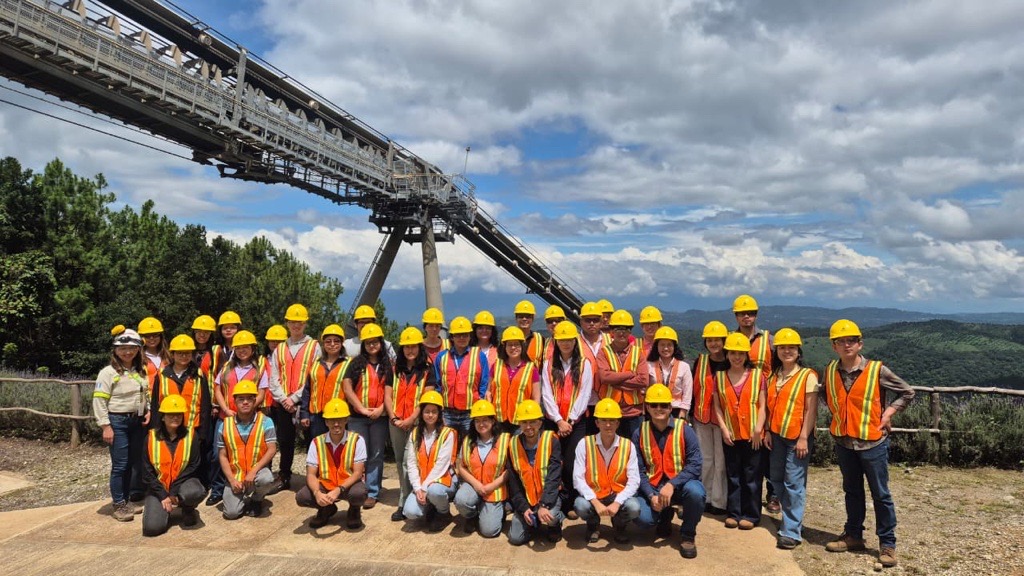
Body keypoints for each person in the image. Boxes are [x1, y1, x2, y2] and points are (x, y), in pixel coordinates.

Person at [822, 319, 915, 569]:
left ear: (860, 344)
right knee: (852, 491)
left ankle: (887, 543)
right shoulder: (830, 370)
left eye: (851, 340)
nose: (846, 345)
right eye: (841, 341)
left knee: (880, 494)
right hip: (844, 441)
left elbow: (907, 392)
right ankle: (854, 535)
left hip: (873, 442)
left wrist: (888, 414)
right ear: (834, 346)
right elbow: (828, 397)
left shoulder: (876, 370)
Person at [632, 384, 705, 559]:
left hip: (680, 485)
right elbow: (637, 470)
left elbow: (695, 464)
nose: (659, 409)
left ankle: (688, 535)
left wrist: (672, 485)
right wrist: (651, 495)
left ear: (670, 408)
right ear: (647, 408)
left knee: (696, 492)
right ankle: (664, 516)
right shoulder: (639, 432)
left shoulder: (685, 430)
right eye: (654, 405)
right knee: (643, 519)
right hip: (654, 486)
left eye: (664, 405)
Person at [764, 328, 818, 550]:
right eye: (783, 348)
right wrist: (768, 430)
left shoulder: (807, 376)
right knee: (776, 479)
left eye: (791, 348)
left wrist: (804, 437)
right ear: (776, 351)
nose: (787, 351)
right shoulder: (773, 375)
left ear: (798, 351)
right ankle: (793, 520)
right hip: (776, 435)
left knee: (794, 483)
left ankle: (791, 532)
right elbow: (769, 407)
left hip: (797, 437)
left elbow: (811, 410)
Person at [94, 326, 151, 521]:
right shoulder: (108, 373)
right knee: (120, 465)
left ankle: (125, 500)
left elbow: (144, 394)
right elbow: (99, 400)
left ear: (138, 349)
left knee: (132, 463)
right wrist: (105, 426)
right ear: (115, 350)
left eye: (132, 348)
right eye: (123, 348)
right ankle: (118, 504)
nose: (128, 352)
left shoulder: (139, 371)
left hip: (137, 420)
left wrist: (148, 410)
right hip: (117, 421)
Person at [713, 332, 768, 530]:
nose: (737, 357)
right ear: (727, 354)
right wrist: (723, 428)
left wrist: (758, 429)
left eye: (741, 353)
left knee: (752, 476)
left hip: (753, 435)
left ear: (747, 355)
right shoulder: (719, 377)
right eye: (733, 353)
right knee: (733, 474)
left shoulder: (758, 376)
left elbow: (763, 405)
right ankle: (734, 513)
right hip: (731, 434)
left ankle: (751, 515)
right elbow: (717, 406)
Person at [150, 335, 213, 504]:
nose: (184, 356)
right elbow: (155, 405)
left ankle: (190, 497)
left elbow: (205, 405)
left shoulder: (198, 374)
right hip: (167, 431)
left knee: (192, 465)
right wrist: (155, 430)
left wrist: (203, 433)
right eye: (179, 353)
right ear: (173, 354)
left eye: (187, 353)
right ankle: (167, 491)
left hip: (192, 429)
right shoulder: (162, 375)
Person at [540, 321, 593, 513]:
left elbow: (585, 394)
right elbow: (546, 394)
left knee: (572, 463)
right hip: (553, 422)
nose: (566, 343)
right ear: (556, 342)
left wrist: (570, 420)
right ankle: (553, 500)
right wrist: (558, 420)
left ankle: (570, 502)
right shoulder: (548, 364)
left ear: (575, 341)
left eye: (569, 340)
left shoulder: (584, 364)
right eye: (562, 340)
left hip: (575, 423)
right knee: (553, 462)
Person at [268, 303, 322, 492]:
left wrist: (295, 398)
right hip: (284, 403)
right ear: (287, 323)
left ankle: (313, 478)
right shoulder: (280, 348)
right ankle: (284, 476)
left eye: (300, 322)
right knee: (285, 441)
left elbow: (314, 376)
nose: (296, 325)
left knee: (311, 441)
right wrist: (284, 399)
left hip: (305, 402)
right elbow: (273, 378)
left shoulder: (314, 347)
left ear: (305, 324)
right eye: (292, 322)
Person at [573, 398, 642, 544]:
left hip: (618, 494)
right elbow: (578, 478)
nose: (608, 424)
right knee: (581, 506)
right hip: (594, 494)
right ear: (597, 423)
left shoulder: (628, 445)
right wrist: (595, 502)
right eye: (603, 420)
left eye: (612, 420)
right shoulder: (584, 444)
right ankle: (593, 526)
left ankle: (619, 526)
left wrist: (617, 503)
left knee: (634, 507)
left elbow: (634, 480)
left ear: (618, 423)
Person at [385, 326, 436, 521]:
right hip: (396, 422)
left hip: (416, 424)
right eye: (406, 347)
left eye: (413, 346)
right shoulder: (394, 369)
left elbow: (426, 399)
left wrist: (411, 419)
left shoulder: (427, 370)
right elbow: (388, 396)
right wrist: (394, 418)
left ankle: (409, 501)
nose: (410, 350)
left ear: (419, 348)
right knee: (400, 462)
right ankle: (405, 498)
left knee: (411, 461)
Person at [732, 294, 777, 512]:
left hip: (767, 400)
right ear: (736, 316)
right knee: (748, 451)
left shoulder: (769, 340)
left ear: (756, 315)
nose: (746, 317)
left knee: (770, 448)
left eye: (750, 313)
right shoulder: (731, 339)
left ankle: (773, 494)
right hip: (741, 402)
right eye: (742, 313)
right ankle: (746, 496)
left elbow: (780, 366)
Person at [342, 322, 394, 510]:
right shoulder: (356, 363)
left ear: (381, 343)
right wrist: (361, 409)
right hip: (358, 417)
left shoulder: (387, 365)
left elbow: (391, 390)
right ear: (363, 344)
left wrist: (381, 409)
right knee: (357, 454)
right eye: (368, 342)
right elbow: (347, 387)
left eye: (375, 342)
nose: (372, 345)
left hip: (379, 417)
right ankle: (357, 489)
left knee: (376, 454)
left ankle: (372, 492)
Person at [296, 398, 368, 529]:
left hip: (348, 485)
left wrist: (338, 490)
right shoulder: (316, 442)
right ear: (326, 422)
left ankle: (354, 509)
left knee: (358, 494)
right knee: (302, 497)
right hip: (325, 484)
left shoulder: (357, 440)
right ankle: (326, 509)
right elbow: (311, 474)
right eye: (332, 420)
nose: (336, 424)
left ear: (346, 420)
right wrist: (317, 493)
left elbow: (358, 473)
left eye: (340, 419)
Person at [141, 394, 205, 536]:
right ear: (163, 417)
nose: (175, 417)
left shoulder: (191, 435)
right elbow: (146, 472)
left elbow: (194, 466)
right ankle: (164, 509)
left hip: (183, 483)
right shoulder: (150, 438)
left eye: (179, 414)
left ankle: (187, 508)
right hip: (159, 487)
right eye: (170, 414)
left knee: (195, 492)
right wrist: (163, 495)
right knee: (152, 529)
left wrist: (174, 491)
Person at [506, 399, 565, 546]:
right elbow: (514, 483)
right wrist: (524, 508)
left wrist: (544, 505)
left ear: (540, 422)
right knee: (515, 538)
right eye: (524, 422)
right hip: (527, 499)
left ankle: (555, 524)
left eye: (532, 422)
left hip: (548, 498)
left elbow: (554, 478)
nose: (528, 427)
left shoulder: (551, 440)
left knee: (551, 515)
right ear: (519, 424)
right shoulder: (513, 444)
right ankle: (533, 523)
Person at [216, 380, 278, 519]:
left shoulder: (266, 421)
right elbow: (222, 455)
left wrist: (253, 472)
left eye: (249, 398)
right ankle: (242, 497)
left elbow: (272, 449)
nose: (245, 402)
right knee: (231, 514)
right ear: (235, 401)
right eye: (241, 399)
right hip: (236, 476)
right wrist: (232, 480)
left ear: (255, 400)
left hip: (257, 473)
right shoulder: (225, 425)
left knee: (267, 479)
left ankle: (256, 499)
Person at [403, 391, 458, 532]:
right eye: (427, 411)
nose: (430, 415)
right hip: (422, 483)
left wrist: (424, 488)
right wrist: (417, 488)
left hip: (443, 481)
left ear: (439, 413)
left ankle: (444, 513)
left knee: (434, 491)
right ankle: (431, 507)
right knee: (410, 512)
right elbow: (411, 463)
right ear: (421, 413)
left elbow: (442, 465)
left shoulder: (448, 433)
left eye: (434, 411)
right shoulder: (415, 433)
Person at [454, 400, 510, 538]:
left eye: (485, 420)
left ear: (493, 421)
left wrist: (492, 486)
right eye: (477, 421)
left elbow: (510, 470)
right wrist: (476, 485)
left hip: (495, 488)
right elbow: (461, 467)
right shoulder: (468, 440)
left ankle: (503, 508)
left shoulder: (505, 440)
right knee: (461, 500)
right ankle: (472, 515)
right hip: (474, 485)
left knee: (489, 531)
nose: (481, 424)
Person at [691, 320, 730, 514]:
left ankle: (719, 501)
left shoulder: (731, 361)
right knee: (705, 460)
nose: (713, 343)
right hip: (702, 418)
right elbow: (693, 389)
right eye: (709, 340)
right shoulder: (700, 361)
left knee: (721, 462)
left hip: (724, 421)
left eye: (717, 340)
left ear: (724, 341)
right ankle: (704, 497)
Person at [433, 316, 490, 436]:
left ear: (470, 336)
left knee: (468, 444)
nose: (462, 338)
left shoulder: (479, 356)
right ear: (452, 337)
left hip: (470, 412)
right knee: (447, 444)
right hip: (447, 413)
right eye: (458, 335)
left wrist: (478, 403)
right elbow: (438, 385)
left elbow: (484, 383)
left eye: (465, 335)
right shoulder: (441, 357)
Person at [596, 310, 648, 439]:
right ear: (611, 332)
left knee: (635, 447)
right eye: (617, 329)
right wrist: (630, 374)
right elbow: (604, 377)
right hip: (610, 412)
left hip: (634, 413)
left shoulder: (638, 352)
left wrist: (615, 381)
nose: (621, 332)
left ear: (630, 332)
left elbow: (643, 380)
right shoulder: (603, 352)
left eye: (625, 329)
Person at [298, 324, 349, 440]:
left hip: (339, 415)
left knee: (339, 446)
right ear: (323, 344)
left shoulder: (349, 363)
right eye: (328, 341)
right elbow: (307, 390)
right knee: (318, 446)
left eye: (336, 341)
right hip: (316, 416)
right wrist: (304, 414)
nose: (332, 344)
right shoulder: (315, 364)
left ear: (342, 343)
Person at [488, 326, 541, 435]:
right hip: (498, 420)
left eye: (516, 344)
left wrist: (531, 421)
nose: (513, 348)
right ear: (504, 347)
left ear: (522, 346)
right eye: (510, 344)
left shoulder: (531, 368)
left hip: (521, 421)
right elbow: (489, 391)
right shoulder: (496, 365)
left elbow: (536, 398)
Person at [647, 326, 692, 420]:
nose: (666, 348)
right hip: (655, 409)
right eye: (662, 345)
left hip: (676, 410)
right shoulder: (649, 366)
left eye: (669, 345)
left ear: (674, 347)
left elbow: (687, 392)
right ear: (657, 347)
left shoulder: (684, 367)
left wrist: (683, 412)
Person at [138, 316, 169, 396]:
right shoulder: (137, 357)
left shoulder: (169, 356)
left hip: (167, 399)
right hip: (146, 400)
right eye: (147, 335)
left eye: (155, 335)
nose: (151, 338)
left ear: (160, 336)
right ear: (141, 338)